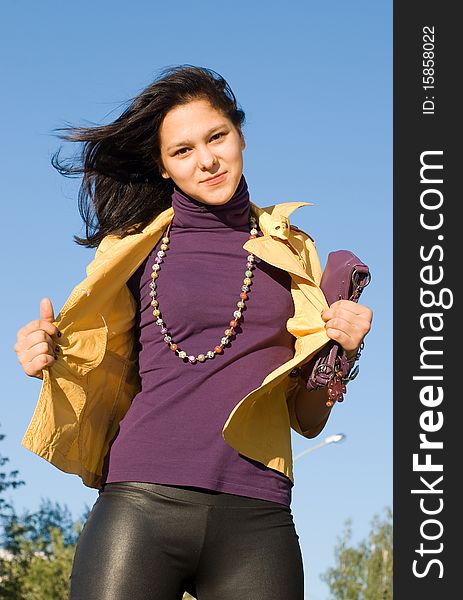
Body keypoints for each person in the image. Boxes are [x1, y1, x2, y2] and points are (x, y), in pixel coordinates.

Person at [13, 65, 372, 600]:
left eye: (216, 137)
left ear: (241, 135)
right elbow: (91, 353)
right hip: (139, 505)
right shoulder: (132, 249)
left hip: (258, 517)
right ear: (162, 167)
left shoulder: (295, 253)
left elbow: (308, 419)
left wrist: (342, 353)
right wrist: (46, 352)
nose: (205, 160)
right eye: (182, 151)